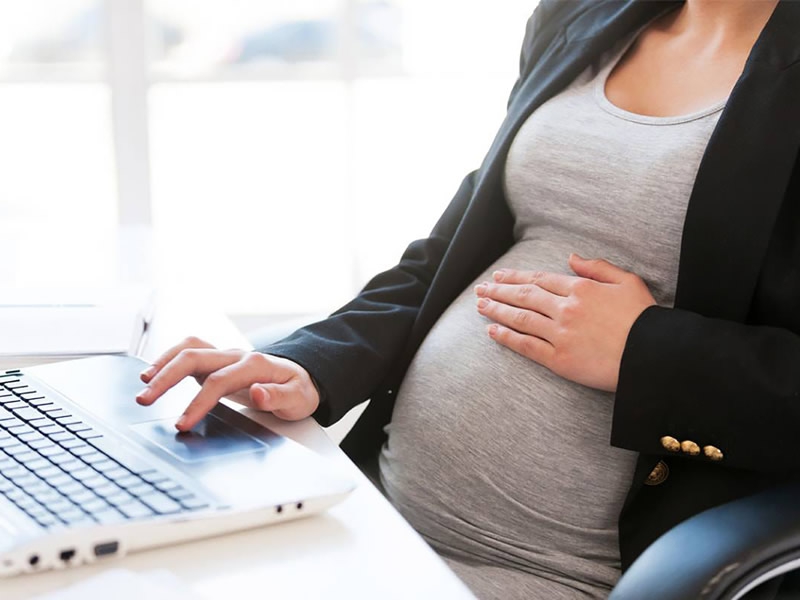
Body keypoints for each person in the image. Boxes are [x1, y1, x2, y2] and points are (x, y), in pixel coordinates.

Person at [134, 1, 800, 598]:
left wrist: (645, 355)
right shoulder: (583, 15)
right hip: (372, 517)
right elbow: (453, 257)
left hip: (549, 574)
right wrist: (311, 362)